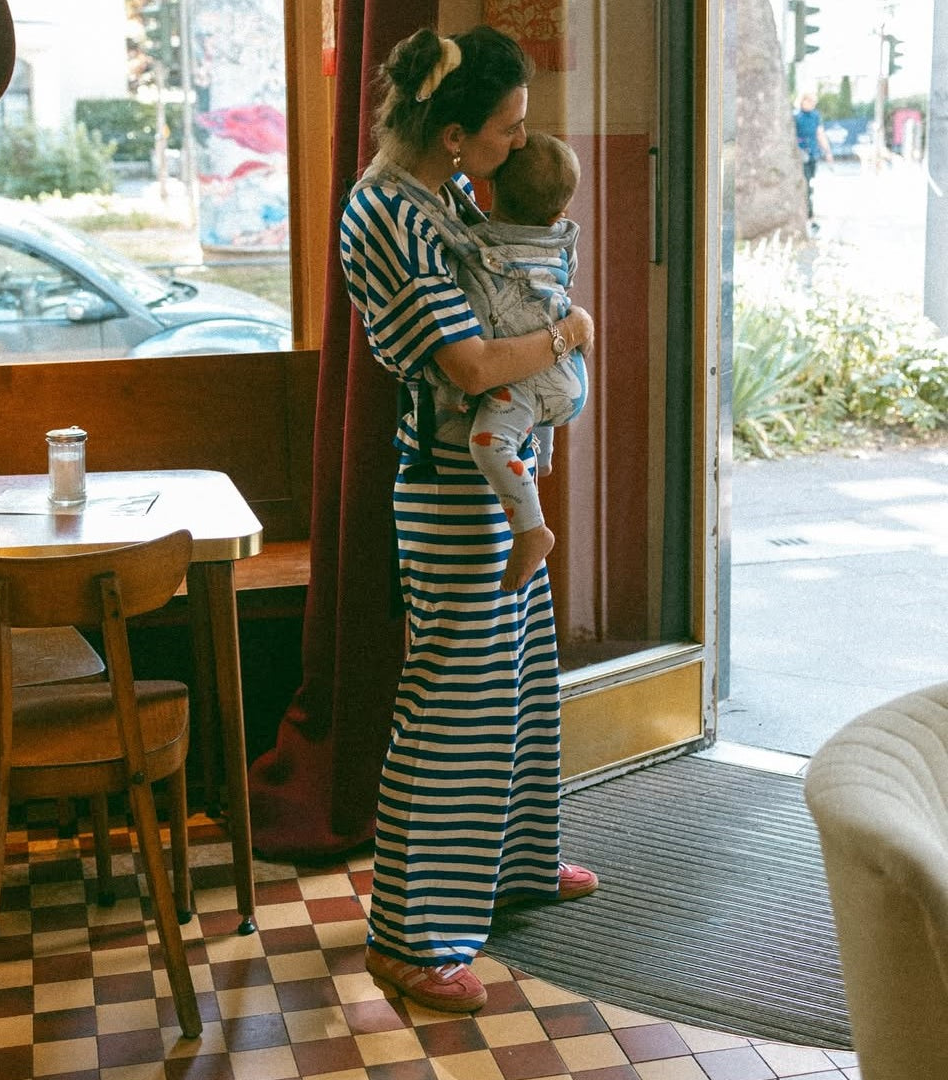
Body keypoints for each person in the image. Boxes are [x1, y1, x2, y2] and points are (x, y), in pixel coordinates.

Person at [339, 25, 599, 1015]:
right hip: (450, 485)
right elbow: (470, 366)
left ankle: (519, 865)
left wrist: (544, 348)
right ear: (453, 132)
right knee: (451, 709)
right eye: (507, 129)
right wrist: (566, 335)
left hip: (493, 470)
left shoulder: (440, 196)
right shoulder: (383, 215)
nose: (518, 146)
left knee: (521, 682)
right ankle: (412, 936)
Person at [456, 132, 587, 591]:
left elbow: (477, 320)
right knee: (531, 393)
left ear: (490, 191)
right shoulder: (563, 240)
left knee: (488, 442)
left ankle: (531, 531)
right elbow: (565, 288)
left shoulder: (478, 246)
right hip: (568, 374)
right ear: (559, 213)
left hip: (527, 381)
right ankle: (544, 457)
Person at [794, 93, 833, 231]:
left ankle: (810, 217)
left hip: (812, 155)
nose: (812, 103)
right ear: (802, 100)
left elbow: (820, 133)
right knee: (804, 187)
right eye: (809, 100)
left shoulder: (815, 116)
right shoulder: (795, 116)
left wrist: (827, 152)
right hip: (800, 156)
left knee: (810, 186)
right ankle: (808, 218)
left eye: (813, 101)